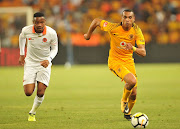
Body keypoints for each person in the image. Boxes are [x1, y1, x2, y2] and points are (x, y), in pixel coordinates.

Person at [84, 9, 146, 120]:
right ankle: (123, 101)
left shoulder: (136, 30)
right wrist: (88, 35)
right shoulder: (113, 27)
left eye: (129, 17)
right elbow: (97, 21)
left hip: (129, 61)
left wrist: (132, 47)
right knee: (132, 81)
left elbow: (143, 52)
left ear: (134, 19)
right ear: (121, 18)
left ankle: (127, 114)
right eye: (125, 17)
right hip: (115, 61)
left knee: (134, 93)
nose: (127, 20)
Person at [19, 12, 58, 121]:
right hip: (30, 63)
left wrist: (49, 59)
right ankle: (35, 80)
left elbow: (55, 49)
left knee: (40, 92)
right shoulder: (26, 30)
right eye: (37, 22)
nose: (39, 25)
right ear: (33, 23)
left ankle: (32, 112)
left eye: (42, 22)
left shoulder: (51, 33)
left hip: (45, 63)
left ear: (45, 22)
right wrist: (22, 54)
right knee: (28, 92)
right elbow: (21, 38)